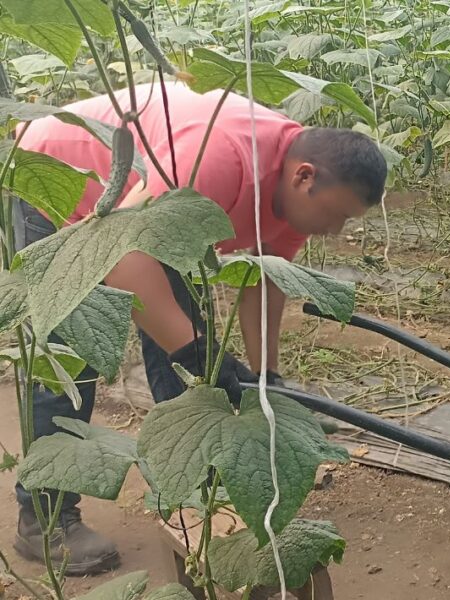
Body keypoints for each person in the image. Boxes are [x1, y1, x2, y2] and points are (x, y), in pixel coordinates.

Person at [11, 82, 387, 575]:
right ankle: (45, 518)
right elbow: (123, 258)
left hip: (148, 209)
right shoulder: (223, 157)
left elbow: (267, 281)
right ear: (304, 176)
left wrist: (265, 373)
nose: (335, 231)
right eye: (337, 215)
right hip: (57, 174)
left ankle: (193, 483)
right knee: (69, 353)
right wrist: (192, 349)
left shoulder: (293, 191)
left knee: (190, 344)